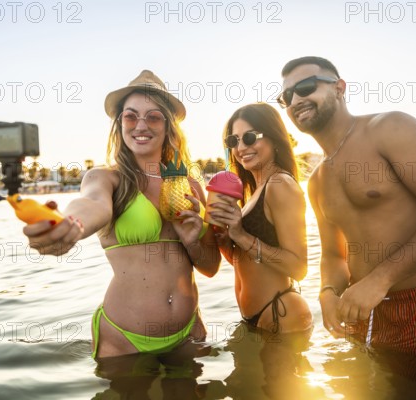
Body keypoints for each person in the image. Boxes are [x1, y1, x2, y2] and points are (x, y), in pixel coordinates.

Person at [278, 56, 416, 358]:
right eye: (286, 96)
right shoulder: (318, 180)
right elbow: (334, 255)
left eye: (306, 87)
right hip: (361, 312)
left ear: (339, 88)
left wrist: (380, 280)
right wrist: (327, 293)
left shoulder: (390, 128)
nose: (296, 100)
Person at [23, 70, 221, 359]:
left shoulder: (190, 185)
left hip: (188, 334)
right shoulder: (106, 179)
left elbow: (211, 266)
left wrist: (191, 241)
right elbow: (91, 205)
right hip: (124, 342)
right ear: (120, 124)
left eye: (153, 117)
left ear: (168, 126)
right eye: (131, 116)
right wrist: (68, 226)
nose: (141, 125)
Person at [209, 103, 313, 334]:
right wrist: (227, 241)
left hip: (281, 313)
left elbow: (298, 268)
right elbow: (248, 263)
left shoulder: (280, 184)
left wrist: (241, 235)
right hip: (260, 319)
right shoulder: (254, 191)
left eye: (249, 137)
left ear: (274, 138)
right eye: (233, 141)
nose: (241, 147)